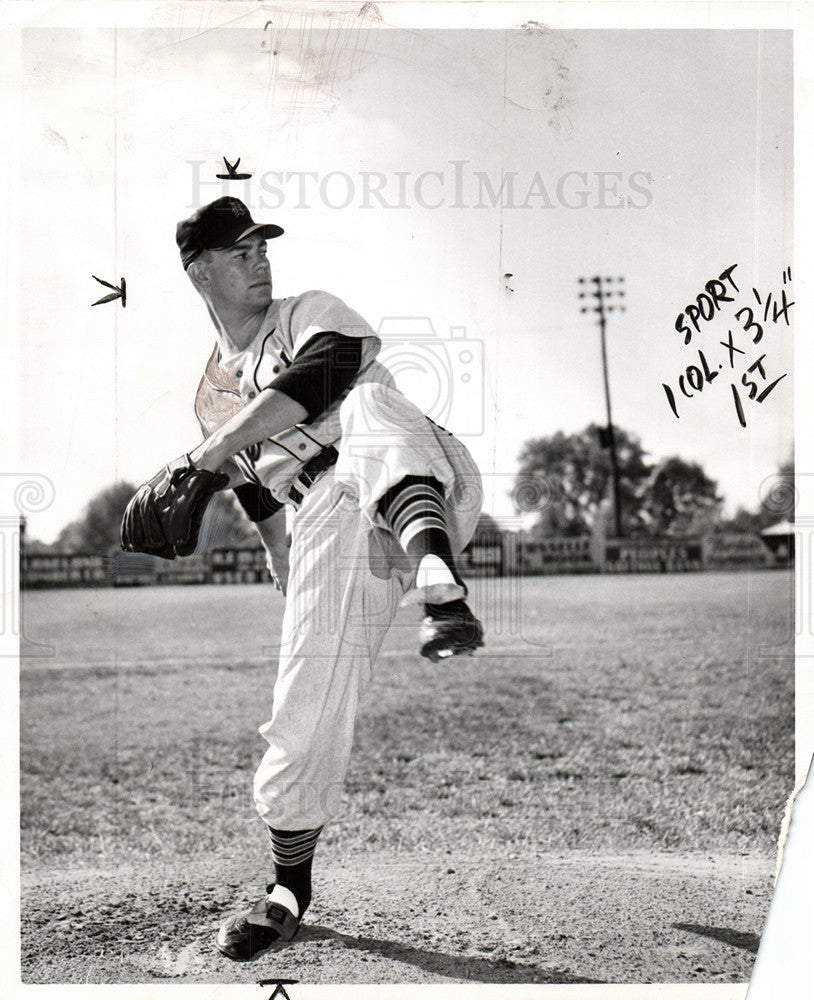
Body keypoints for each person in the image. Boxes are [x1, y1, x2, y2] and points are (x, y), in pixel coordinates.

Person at [172, 195, 484, 960]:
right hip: (327, 529)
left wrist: (208, 456)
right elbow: (254, 485)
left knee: (373, 401)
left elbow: (326, 376)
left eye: (262, 246)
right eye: (241, 252)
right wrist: (281, 552)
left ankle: (437, 571)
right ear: (200, 271)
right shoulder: (208, 398)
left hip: (424, 478)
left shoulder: (308, 311)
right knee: (302, 709)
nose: (261, 260)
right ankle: (287, 891)